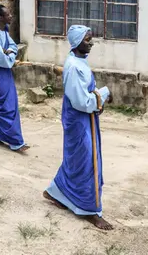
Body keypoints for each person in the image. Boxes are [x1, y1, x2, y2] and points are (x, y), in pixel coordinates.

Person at [43, 25, 114, 231]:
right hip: (79, 117)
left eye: (91, 39)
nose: (91, 43)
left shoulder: (79, 62)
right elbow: (81, 101)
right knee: (86, 161)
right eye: (87, 40)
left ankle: (56, 191)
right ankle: (89, 210)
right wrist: (103, 94)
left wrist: (96, 96)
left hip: (83, 117)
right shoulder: (74, 66)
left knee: (77, 158)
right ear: (76, 42)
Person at [0, 4, 29, 153]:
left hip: (4, 73)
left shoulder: (3, 32)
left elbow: (12, 46)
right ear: (1, 18)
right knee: (7, 107)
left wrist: (9, 52)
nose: (11, 16)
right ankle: (16, 141)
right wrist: (9, 57)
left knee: (4, 104)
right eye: (8, 14)